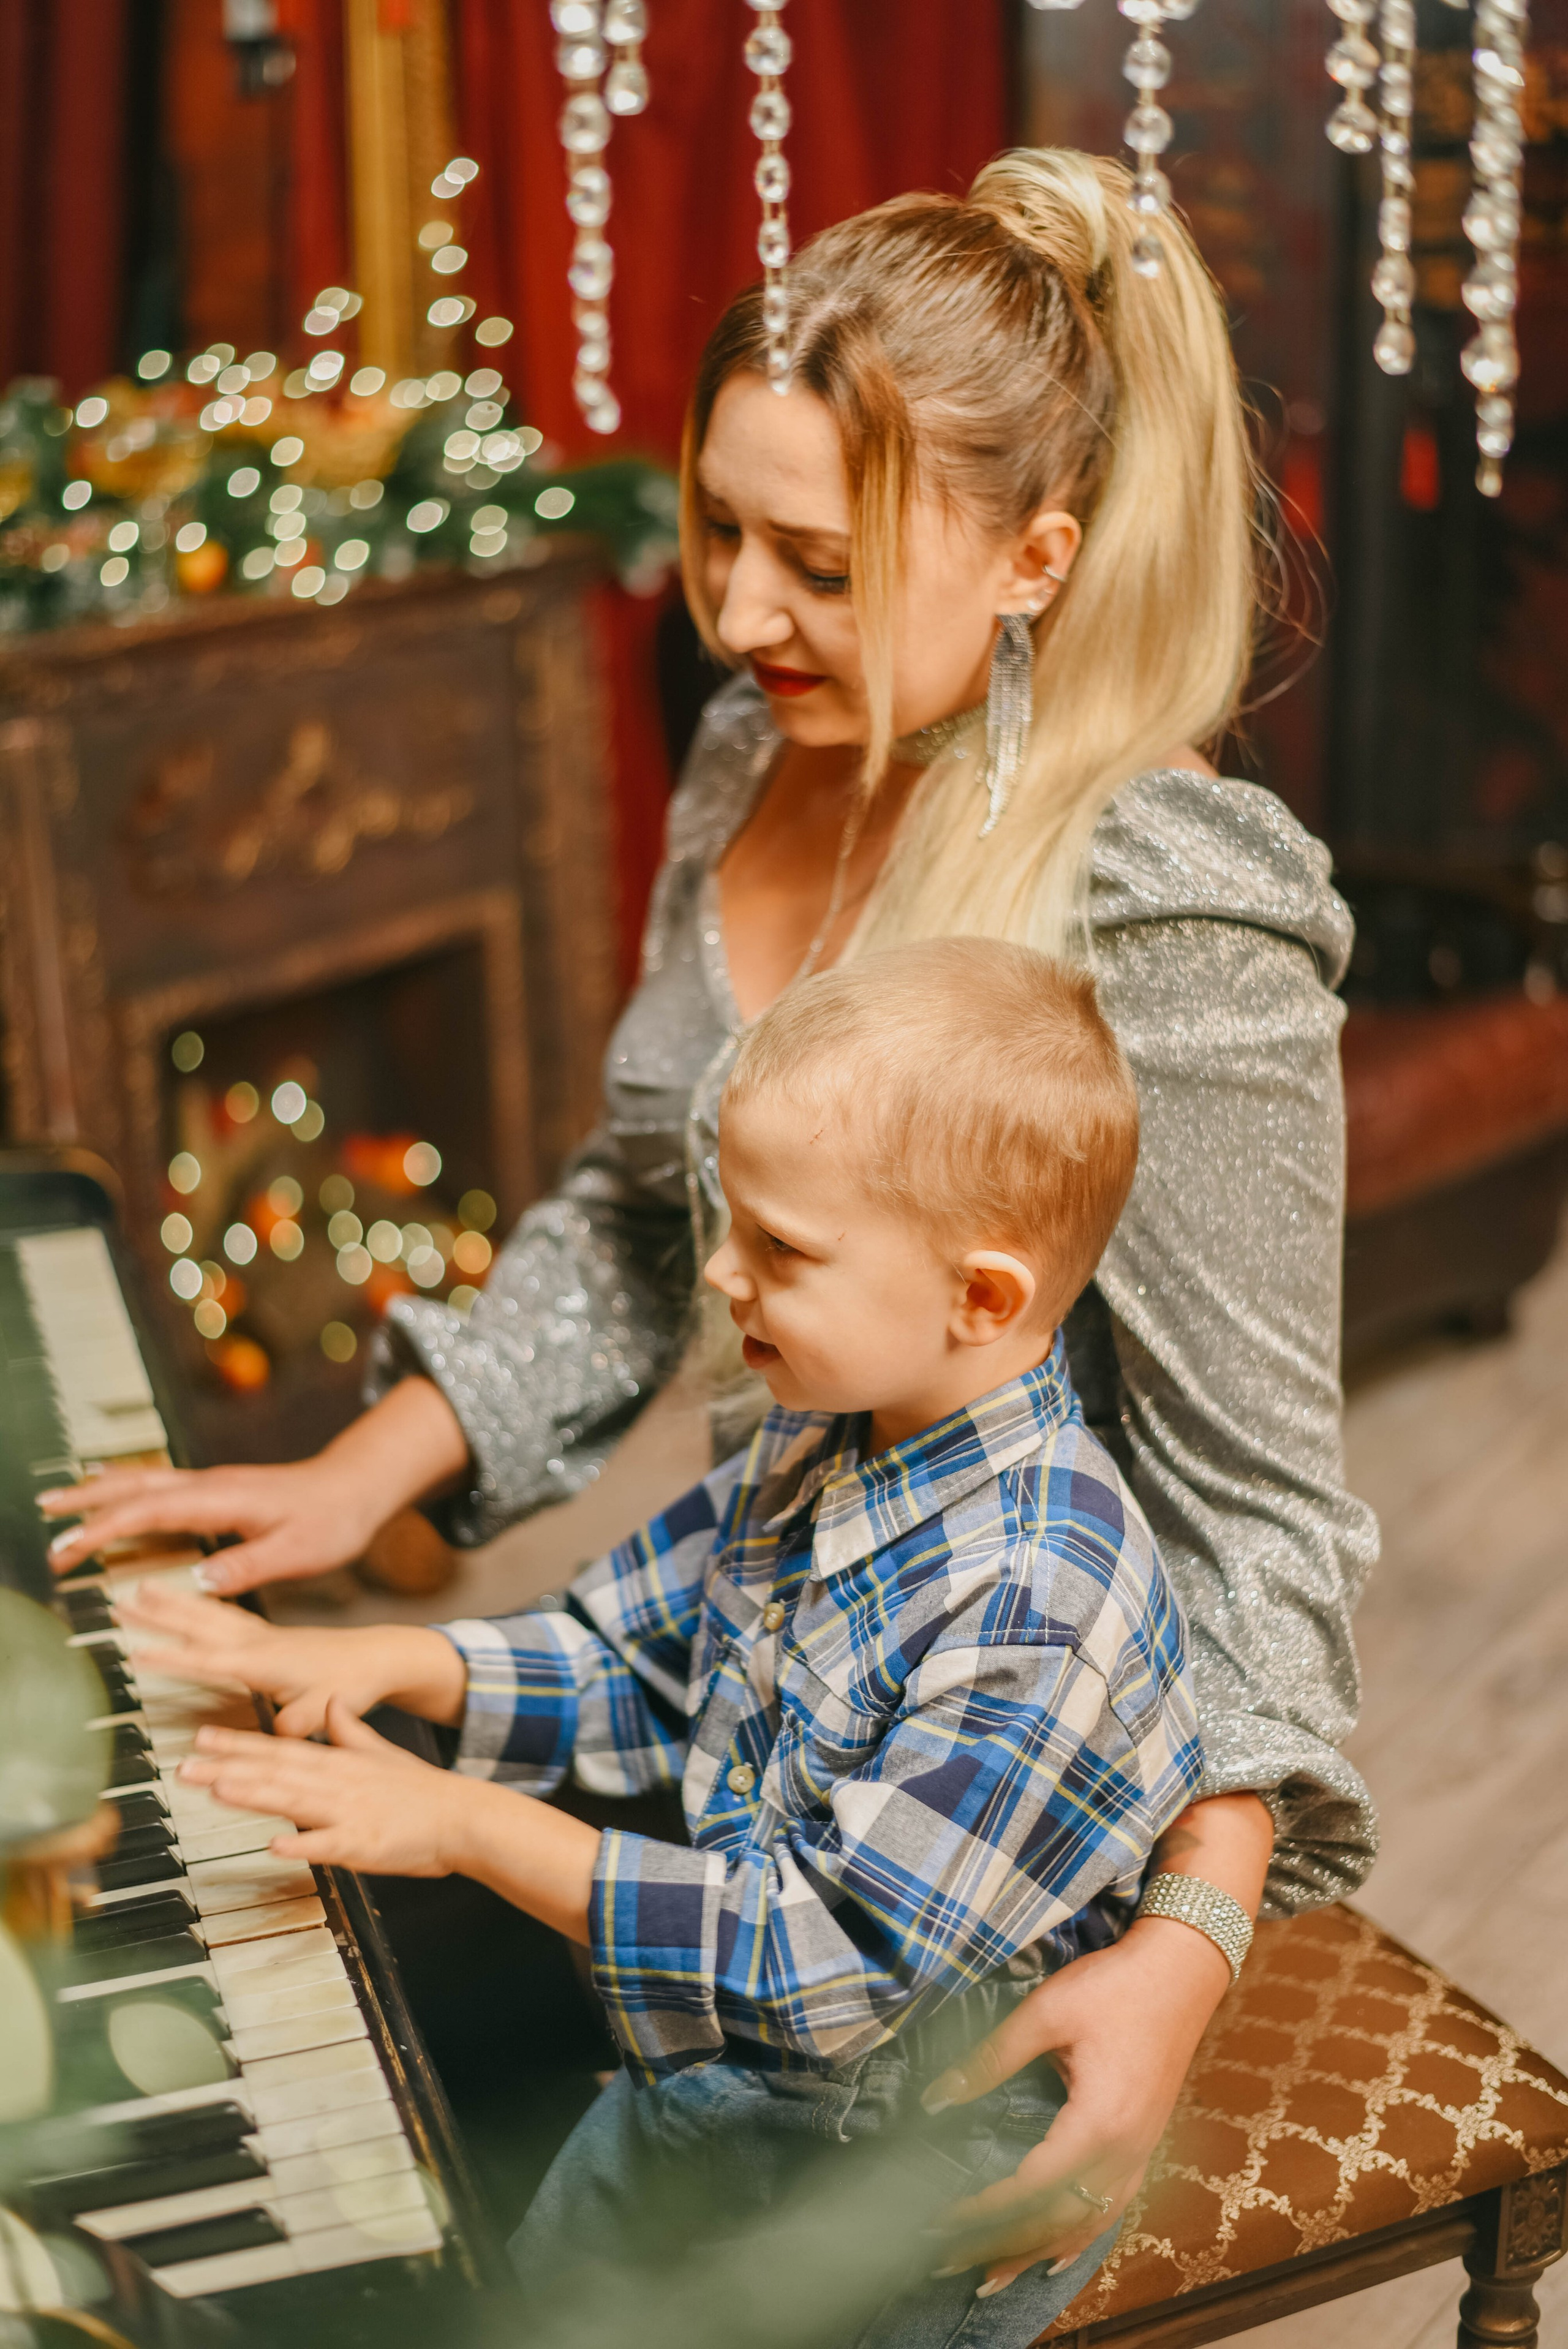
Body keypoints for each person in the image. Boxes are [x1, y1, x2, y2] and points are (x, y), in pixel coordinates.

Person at [43, 149, 1379, 2286]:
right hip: (771, 1675)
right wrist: (351, 1483)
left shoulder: (1174, 903)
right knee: (306, 1967)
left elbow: (1261, 1517)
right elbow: (643, 1205)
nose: (741, 620)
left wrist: (1193, 1947)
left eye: (821, 566)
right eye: (718, 529)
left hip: (1006, 1810)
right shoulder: (759, 744)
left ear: (1034, 558)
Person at [124, 938, 1203, 2345]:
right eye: (728, 1221)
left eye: (779, 1247)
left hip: (901, 2176)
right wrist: (400, 1661)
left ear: (981, 1298)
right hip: (711, 2070)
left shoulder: (1046, 1598)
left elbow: (821, 1965)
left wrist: (465, 1826)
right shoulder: (818, 1432)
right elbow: (634, 1656)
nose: (718, 1269)